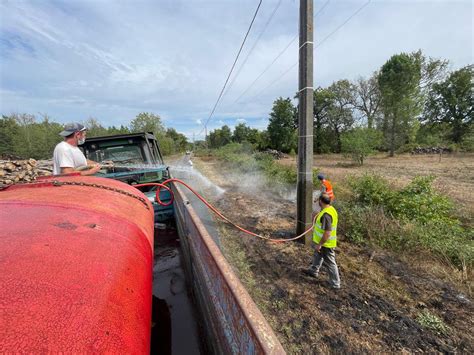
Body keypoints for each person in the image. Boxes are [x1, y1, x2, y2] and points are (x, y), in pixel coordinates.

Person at [304, 193, 341, 289]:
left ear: (321, 201)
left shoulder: (326, 215)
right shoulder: (330, 209)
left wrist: (320, 244)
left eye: (318, 201)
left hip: (326, 243)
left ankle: (335, 284)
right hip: (322, 242)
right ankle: (313, 271)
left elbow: (327, 232)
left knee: (330, 263)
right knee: (318, 255)